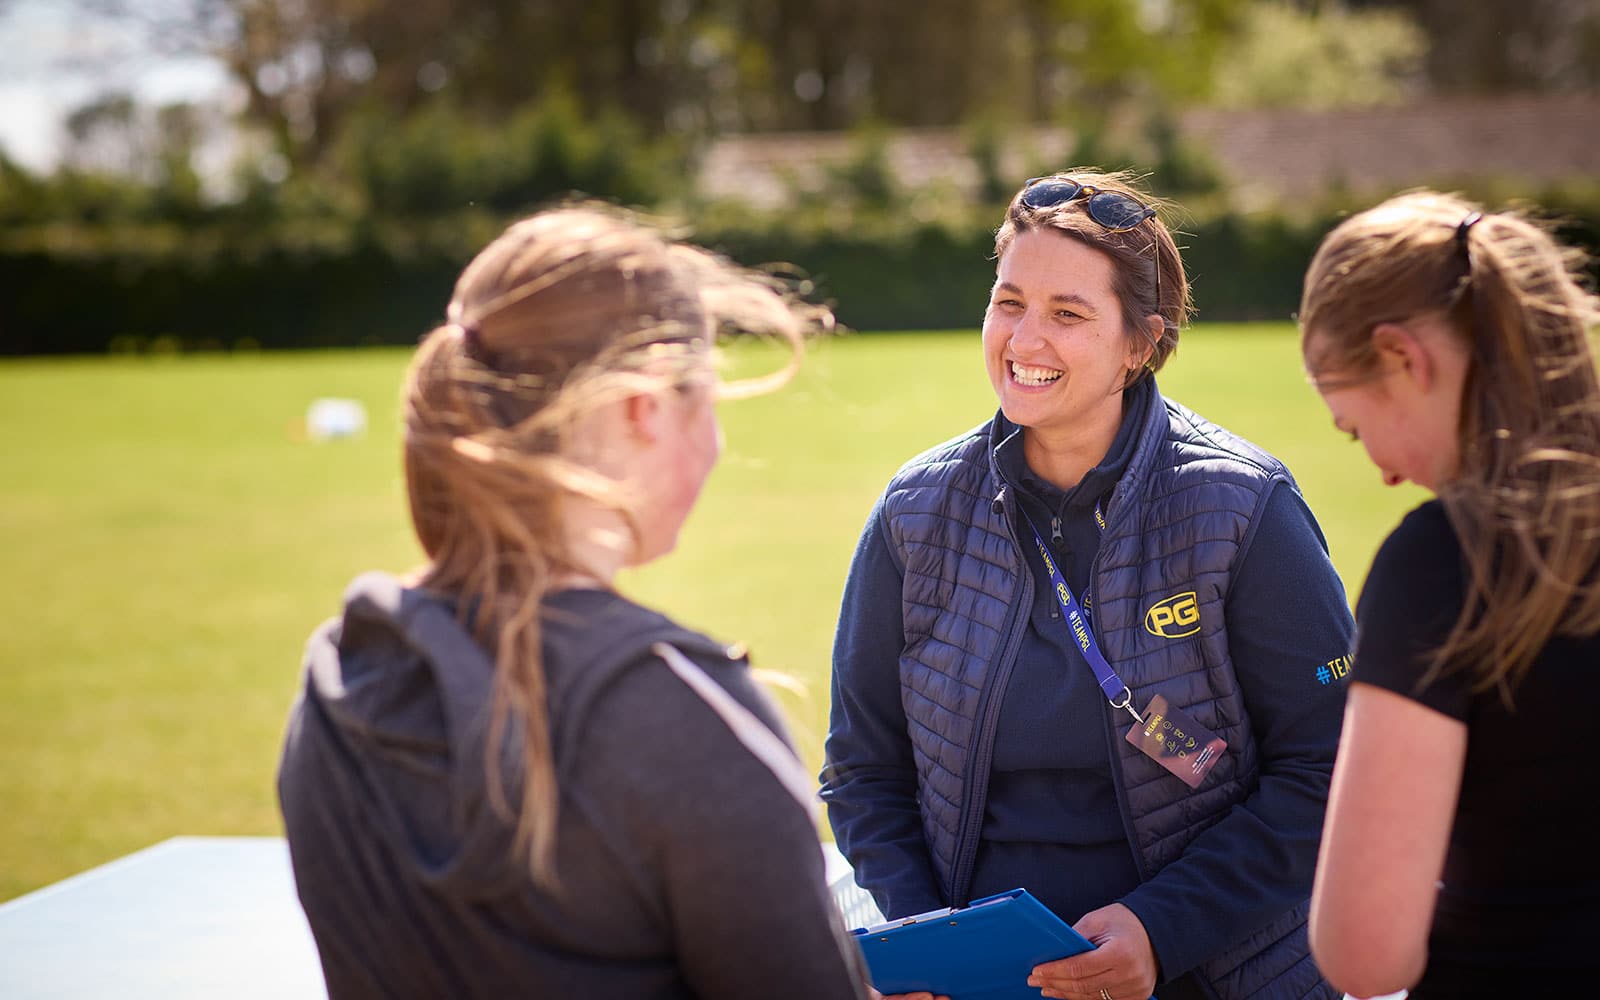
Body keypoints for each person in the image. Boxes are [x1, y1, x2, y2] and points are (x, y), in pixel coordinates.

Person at [276, 204, 869, 1000]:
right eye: (707, 400)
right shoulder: (684, 719)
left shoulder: (338, 685)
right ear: (643, 407)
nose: (719, 441)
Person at [821, 170, 1356, 1000]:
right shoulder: (914, 511)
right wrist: (930, 943)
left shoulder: (1243, 506)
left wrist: (1161, 929)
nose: (1025, 340)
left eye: (1068, 314)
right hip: (982, 986)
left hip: (1208, 976)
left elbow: (1328, 770)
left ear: (1141, 345)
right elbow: (863, 771)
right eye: (1009, 302)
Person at [1301, 191, 1600, 996]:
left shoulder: (1440, 564)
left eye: (1355, 430)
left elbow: (1364, 953)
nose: (1385, 473)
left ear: (1402, 358)